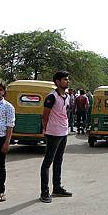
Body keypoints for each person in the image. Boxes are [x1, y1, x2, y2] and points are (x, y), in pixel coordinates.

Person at [40, 71, 73, 203]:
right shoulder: (51, 97)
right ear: (58, 82)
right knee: (47, 162)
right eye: (65, 79)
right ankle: (44, 192)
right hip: (53, 133)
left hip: (63, 132)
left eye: (67, 79)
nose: (67, 81)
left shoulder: (67, 96)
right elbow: (45, 115)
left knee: (59, 160)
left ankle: (57, 187)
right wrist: (45, 130)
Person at [0, 81, 15, 201]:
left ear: (4, 92)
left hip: (0, 139)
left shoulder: (8, 107)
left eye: (0, 89)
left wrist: (7, 142)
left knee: (0, 167)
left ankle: (1, 191)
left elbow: (10, 125)